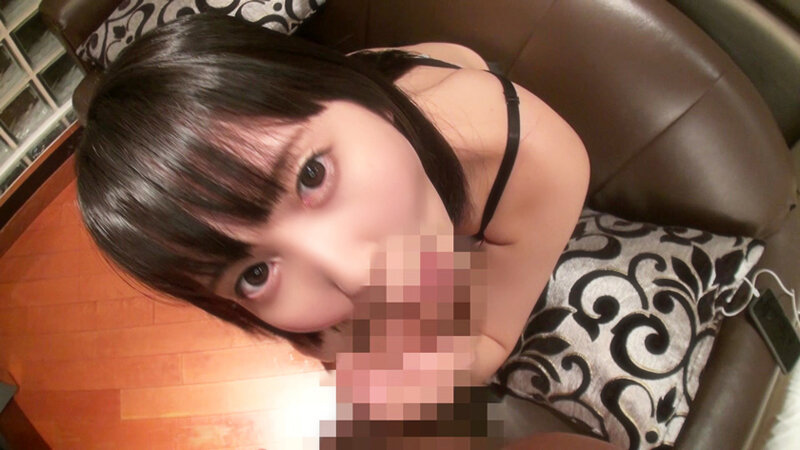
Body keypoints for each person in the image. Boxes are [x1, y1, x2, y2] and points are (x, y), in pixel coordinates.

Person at [77, 12, 589, 432]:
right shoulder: (331, 130)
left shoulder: (538, 159)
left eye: (312, 175)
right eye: (255, 274)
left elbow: (492, 339)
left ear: (363, 101)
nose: (357, 277)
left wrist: (412, 375)